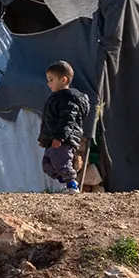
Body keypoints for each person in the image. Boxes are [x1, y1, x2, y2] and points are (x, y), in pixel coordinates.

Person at [39, 60, 92, 191]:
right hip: (52, 139)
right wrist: (44, 138)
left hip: (63, 139)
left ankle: (72, 185)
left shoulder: (68, 100)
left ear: (63, 80)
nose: (48, 83)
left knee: (62, 162)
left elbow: (67, 120)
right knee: (47, 164)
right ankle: (66, 183)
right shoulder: (55, 98)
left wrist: (60, 137)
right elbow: (49, 120)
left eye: (51, 80)